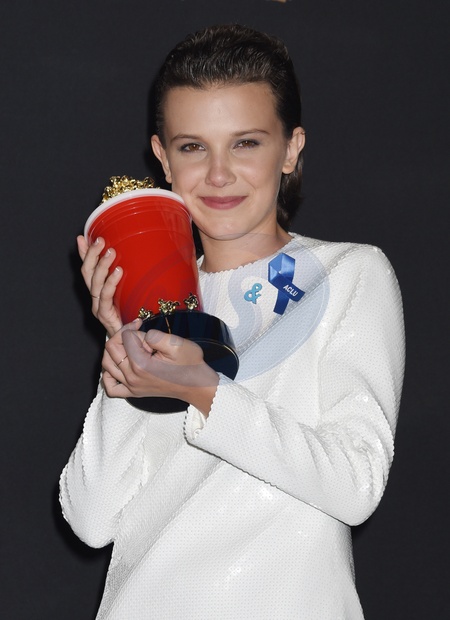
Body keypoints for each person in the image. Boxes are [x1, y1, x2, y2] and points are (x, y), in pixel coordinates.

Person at [60, 24, 405, 619]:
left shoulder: (349, 273)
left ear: (291, 148)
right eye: (193, 147)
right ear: (163, 158)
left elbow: (356, 484)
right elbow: (91, 520)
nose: (218, 174)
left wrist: (205, 391)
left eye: (245, 143)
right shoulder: (156, 311)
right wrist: (127, 337)